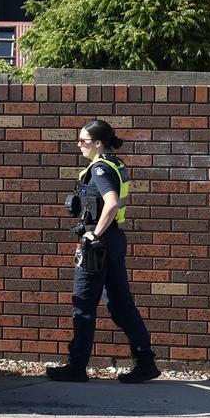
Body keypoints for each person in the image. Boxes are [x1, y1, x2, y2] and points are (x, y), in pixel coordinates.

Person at [47, 120, 160, 384]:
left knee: (83, 304)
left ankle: (76, 367)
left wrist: (94, 235)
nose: (79, 145)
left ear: (98, 143)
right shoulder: (114, 163)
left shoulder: (99, 170)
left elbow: (110, 204)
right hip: (114, 240)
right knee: (121, 305)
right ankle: (145, 363)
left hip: (99, 244)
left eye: (84, 140)